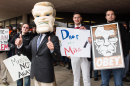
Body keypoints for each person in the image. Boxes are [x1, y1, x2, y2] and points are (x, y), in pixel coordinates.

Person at [15, 2, 61, 86]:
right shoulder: (35, 38)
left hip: (46, 75)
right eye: (38, 16)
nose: (42, 18)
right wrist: (20, 45)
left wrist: (52, 49)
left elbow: (58, 57)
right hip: (35, 74)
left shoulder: (54, 38)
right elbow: (27, 51)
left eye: (47, 15)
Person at [100, 10, 129, 86]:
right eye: (108, 14)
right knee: (104, 83)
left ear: (115, 16)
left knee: (119, 83)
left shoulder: (120, 27)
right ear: (106, 17)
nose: (110, 16)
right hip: (104, 59)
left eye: (112, 14)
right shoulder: (100, 27)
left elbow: (127, 41)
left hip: (117, 59)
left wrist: (124, 54)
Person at [69, 12, 91, 86]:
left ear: (81, 18)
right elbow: (66, 43)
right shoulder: (69, 30)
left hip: (85, 55)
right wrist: (67, 53)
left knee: (86, 77)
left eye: (78, 17)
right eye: (75, 17)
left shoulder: (88, 28)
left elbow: (92, 41)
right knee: (76, 77)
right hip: (74, 55)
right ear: (73, 19)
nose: (77, 19)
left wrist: (86, 32)